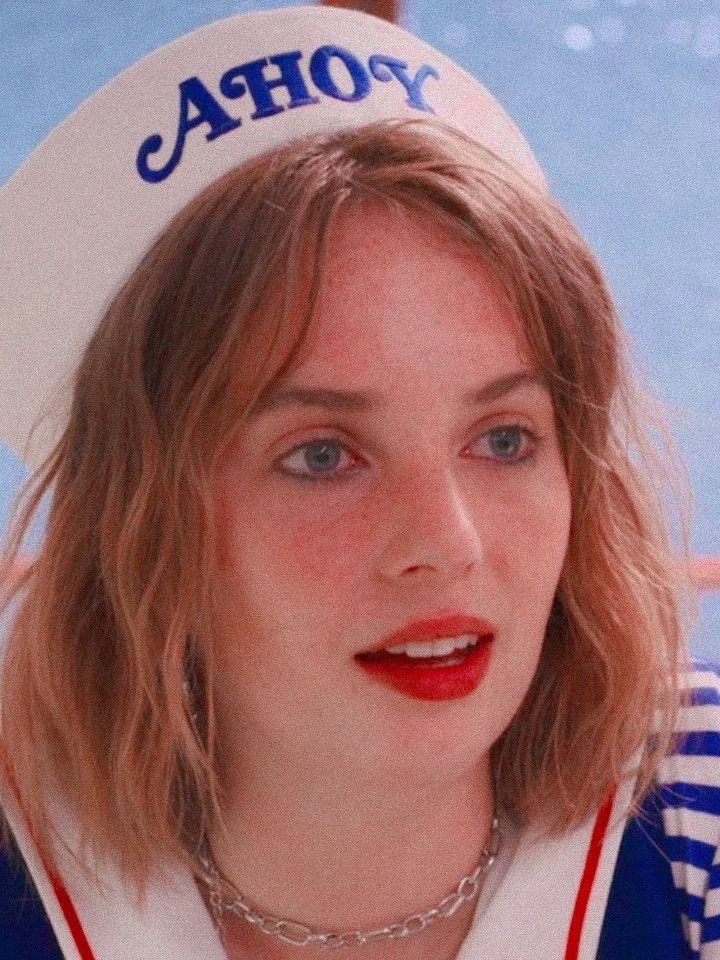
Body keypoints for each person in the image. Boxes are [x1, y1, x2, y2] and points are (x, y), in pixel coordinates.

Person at [0, 5, 716, 959]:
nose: (446, 543)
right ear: (140, 521)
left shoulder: (695, 812)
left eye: (505, 439)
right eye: (323, 456)